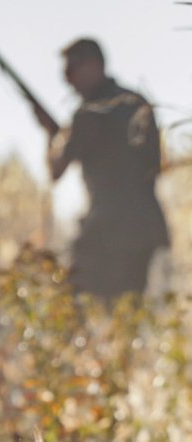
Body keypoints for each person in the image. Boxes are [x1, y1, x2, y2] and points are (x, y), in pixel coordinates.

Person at [34, 38, 170, 302]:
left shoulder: (88, 113)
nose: (67, 81)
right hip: (143, 230)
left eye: (71, 71)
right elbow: (156, 165)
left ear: (94, 66)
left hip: (105, 231)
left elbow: (55, 171)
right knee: (125, 316)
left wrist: (50, 135)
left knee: (68, 305)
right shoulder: (138, 102)